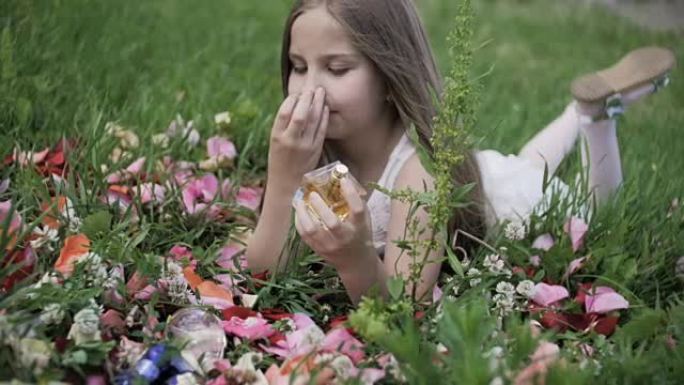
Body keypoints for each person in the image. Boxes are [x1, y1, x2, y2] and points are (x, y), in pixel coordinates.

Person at [244, 0, 676, 304]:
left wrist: (354, 256)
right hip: (485, 172)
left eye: (337, 68)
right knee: (525, 163)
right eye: (298, 66)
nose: (309, 87)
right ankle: (577, 108)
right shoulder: (308, 149)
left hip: (509, 204)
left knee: (592, 212)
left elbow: (404, 307)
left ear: (390, 74)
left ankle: (597, 118)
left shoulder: (419, 176)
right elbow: (263, 272)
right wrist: (285, 175)